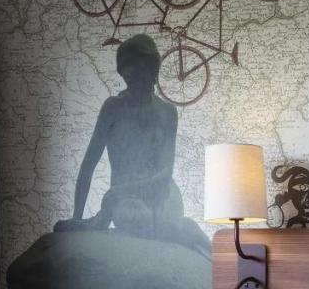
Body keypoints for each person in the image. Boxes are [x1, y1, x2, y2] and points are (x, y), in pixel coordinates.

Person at [55, 34, 210, 256]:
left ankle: (218, 257)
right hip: (126, 200)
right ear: (124, 73)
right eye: (130, 72)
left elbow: (165, 173)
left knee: (171, 225)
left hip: (160, 192)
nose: (137, 77)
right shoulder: (113, 108)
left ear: (153, 69)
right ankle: (94, 222)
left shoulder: (167, 112)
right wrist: (77, 219)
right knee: (138, 219)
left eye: (143, 69)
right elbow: (88, 165)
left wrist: (116, 192)